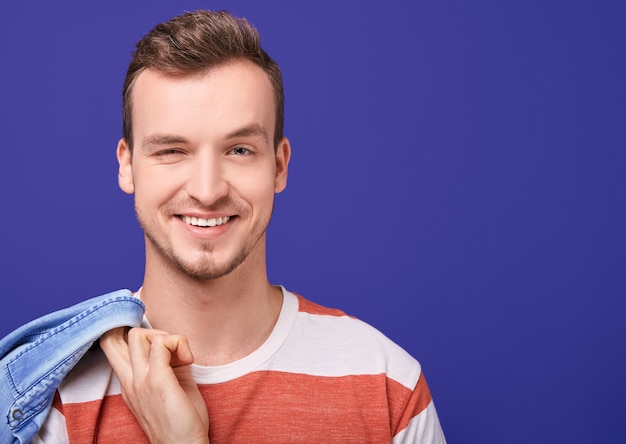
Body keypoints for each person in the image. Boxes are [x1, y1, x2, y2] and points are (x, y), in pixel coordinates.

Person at [4, 9, 445, 443]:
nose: (208, 189)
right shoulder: (55, 398)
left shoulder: (387, 383)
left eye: (239, 150)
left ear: (279, 165)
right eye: (172, 150)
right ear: (127, 166)